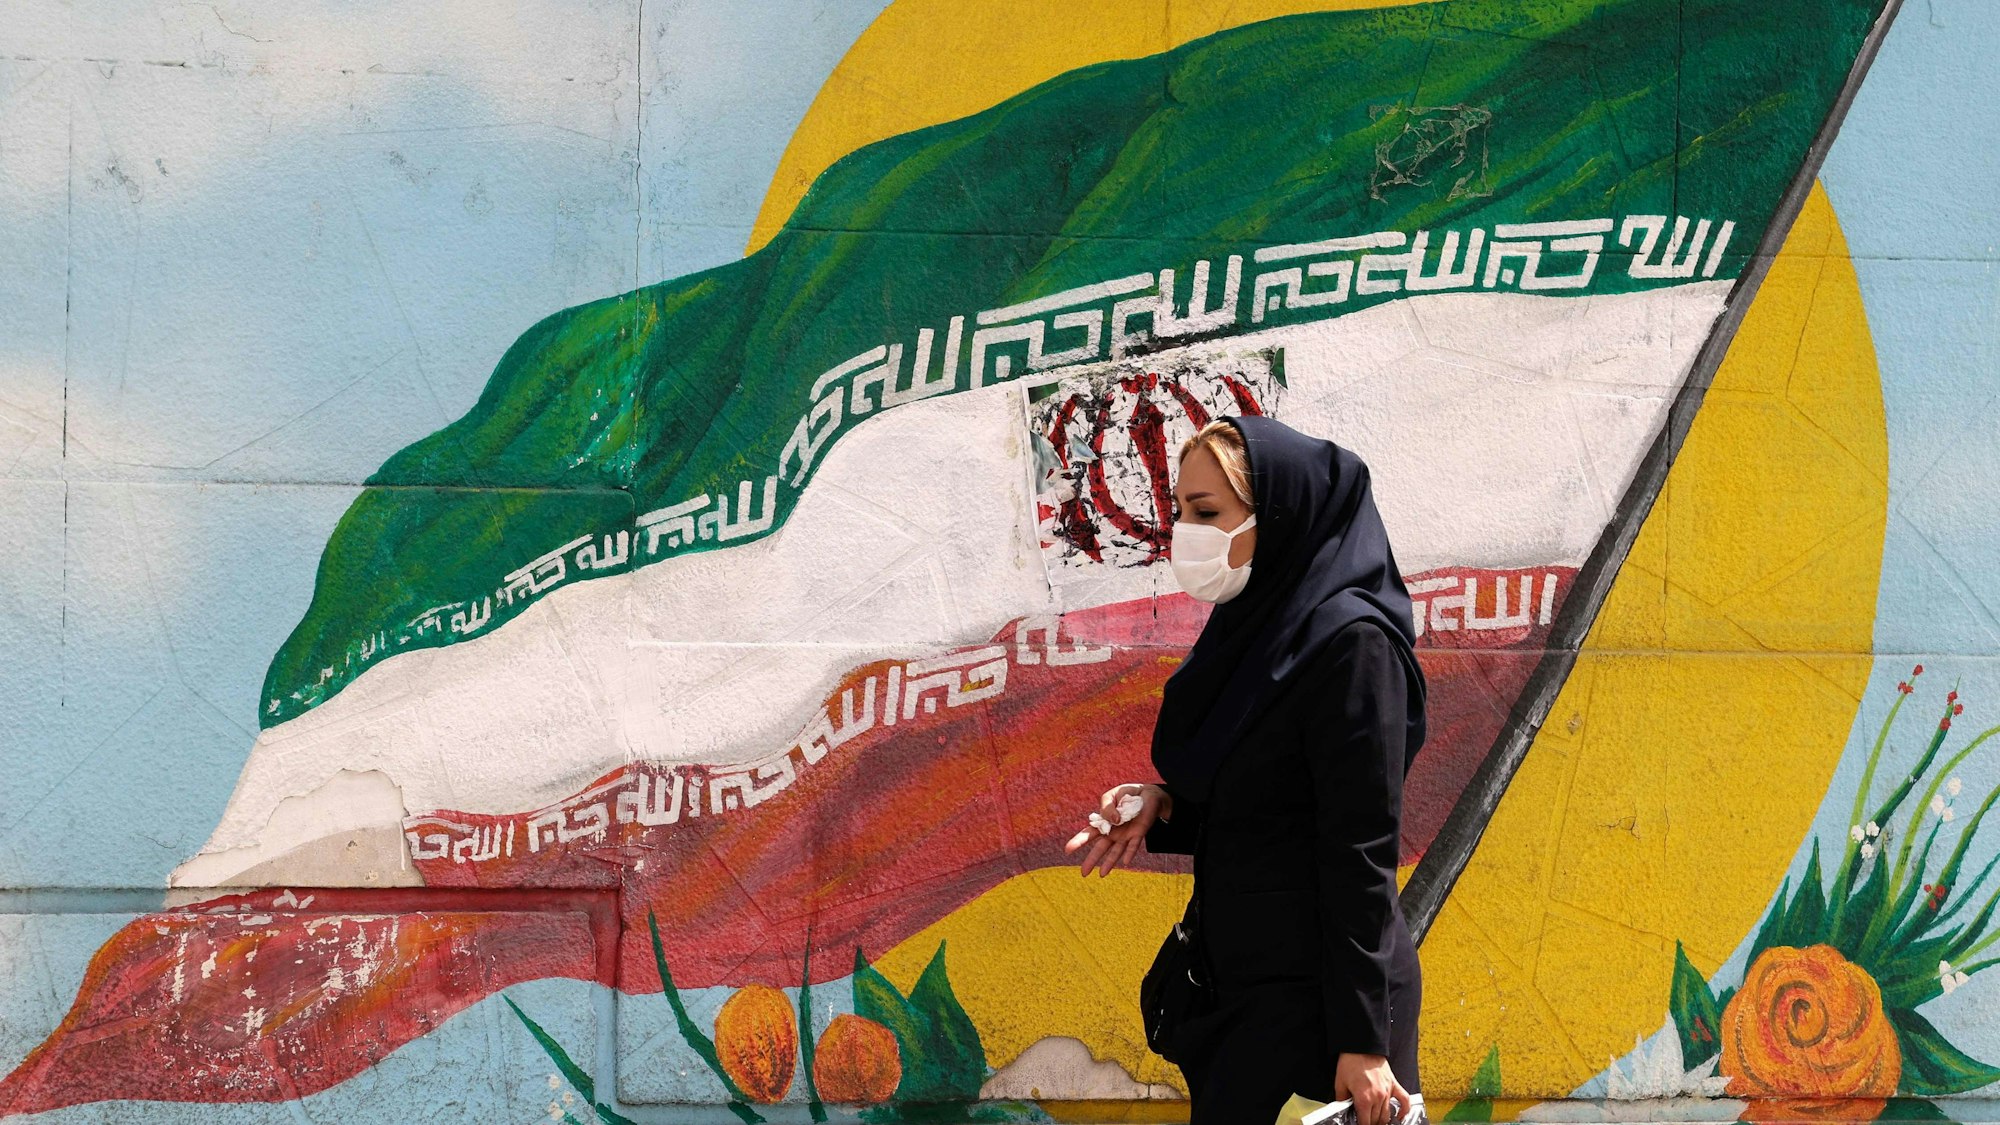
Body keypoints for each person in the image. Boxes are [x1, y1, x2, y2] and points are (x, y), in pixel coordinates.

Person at [1065, 415, 1429, 1125]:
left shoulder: (1353, 648)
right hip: (1246, 995)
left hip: (1323, 1010)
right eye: (1181, 511)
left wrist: (1361, 1040)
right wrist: (1166, 806)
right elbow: (1275, 797)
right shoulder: (1263, 630)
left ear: (1283, 517)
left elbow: (1359, 853)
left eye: (1207, 513)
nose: (1186, 533)